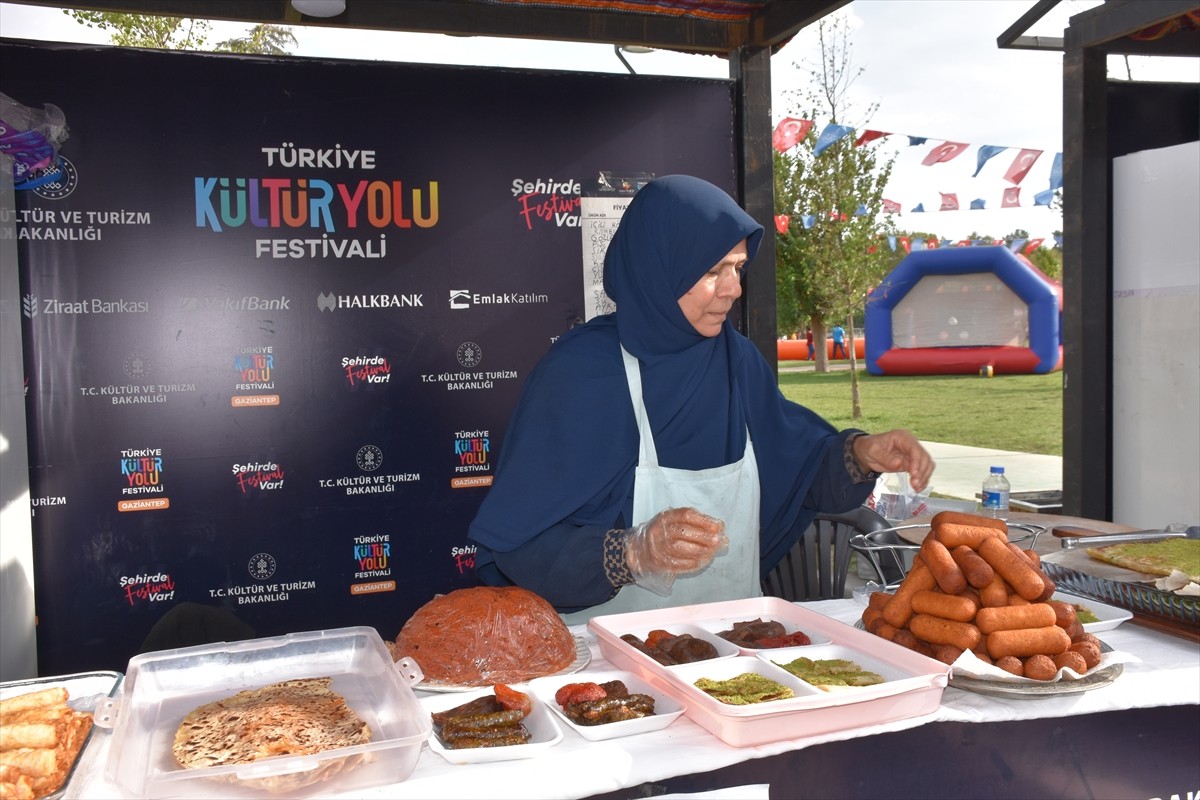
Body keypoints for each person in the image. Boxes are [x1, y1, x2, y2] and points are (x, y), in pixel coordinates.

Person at [467, 175, 933, 622]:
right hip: (602, 662)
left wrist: (860, 453)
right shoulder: (581, 372)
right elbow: (521, 544)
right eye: (712, 271)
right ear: (657, 267)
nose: (733, 289)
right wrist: (631, 551)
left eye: (737, 268)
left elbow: (797, 467)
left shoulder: (736, 361)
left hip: (727, 650)